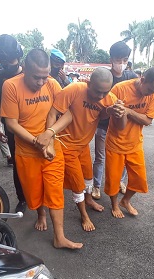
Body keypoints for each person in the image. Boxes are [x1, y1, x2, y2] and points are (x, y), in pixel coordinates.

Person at [1, 48, 82, 250]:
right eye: (36, 77)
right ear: (25, 70)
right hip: (27, 152)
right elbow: (11, 123)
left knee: (55, 191)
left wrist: (49, 134)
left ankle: (60, 237)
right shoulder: (11, 86)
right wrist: (38, 142)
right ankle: (40, 214)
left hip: (53, 148)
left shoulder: (52, 84)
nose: (41, 82)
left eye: (44, 77)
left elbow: (68, 115)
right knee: (34, 194)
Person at [52, 67, 120, 231]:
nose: (100, 97)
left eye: (105, 92)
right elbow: (54, 112)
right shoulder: (74, 89)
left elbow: (102, 116)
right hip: (66, 145)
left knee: (88, 177)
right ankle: (84, 215)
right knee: (77, 183)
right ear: (89, 83)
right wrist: (49, 136)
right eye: (97, 91)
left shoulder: (109, 98)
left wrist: (109, 111)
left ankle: (89, 200)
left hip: (83, 146)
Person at [105, 67, 154, 218]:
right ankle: (114, 205)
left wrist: (128, 111)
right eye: (150, 89)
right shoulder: (120, 88)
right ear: (143, 80)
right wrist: (114, 110)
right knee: (113, 179)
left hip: (135, 143)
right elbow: (105, 110)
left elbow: (147, 120)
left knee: (139, 179)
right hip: (115, 142)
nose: (151, 93)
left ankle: (125, 201)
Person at [91, 41, 137, 200]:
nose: (122, 64)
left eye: (125, 60)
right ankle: (96, 186)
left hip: (124, 128)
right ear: (111, 59)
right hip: (104, 126)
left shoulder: (131, 77)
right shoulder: (104, 77)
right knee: (100, 157)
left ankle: (120, 181)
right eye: (119, 60)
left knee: (124, 157)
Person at [0, 34, 26, 213]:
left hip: (32, 125)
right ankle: (23, 198)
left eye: (11, 59)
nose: (8, 64)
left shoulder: (29, 72)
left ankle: (40, 194)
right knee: (18, 164)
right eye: (4, 61)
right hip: (11, 128)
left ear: (19, 54)